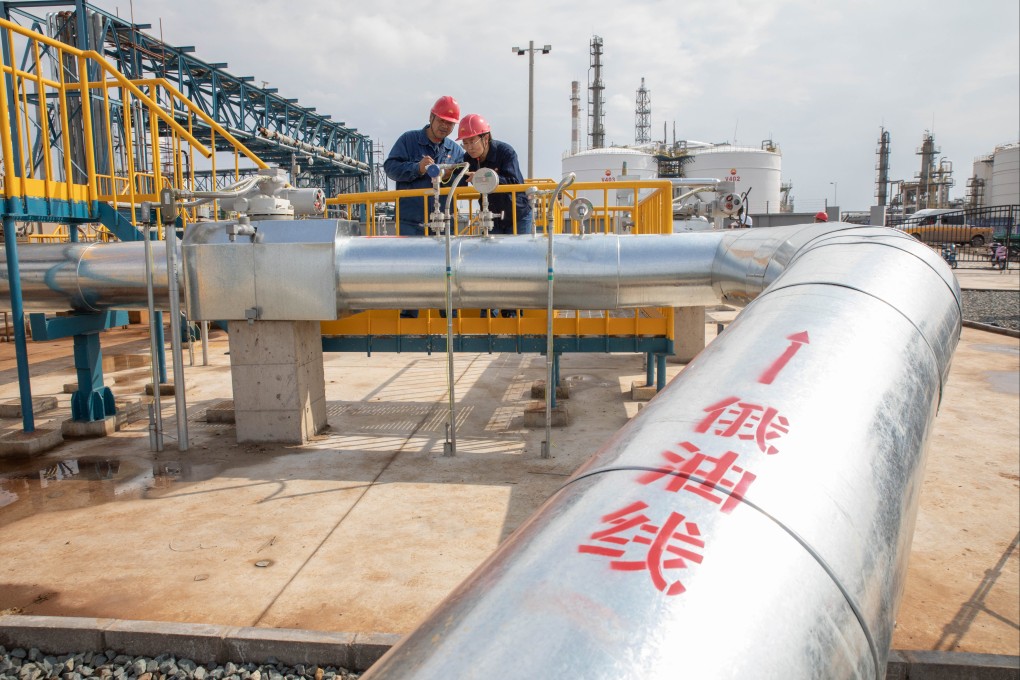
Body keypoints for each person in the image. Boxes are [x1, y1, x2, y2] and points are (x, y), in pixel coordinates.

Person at [384, 96, 466, 237]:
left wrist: (448, 177)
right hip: (411, 223)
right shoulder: (409, 140)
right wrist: (418, 168)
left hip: (445, 221)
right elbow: (391, 168)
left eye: (450, 123)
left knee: (445, 259)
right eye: (441, 120)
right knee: (411, 259)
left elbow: (462, 185)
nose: (445, 126)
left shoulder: (456, 151)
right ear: (431, 117)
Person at [456, 113, 532, 235]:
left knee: (518, 253)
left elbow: (514, 183)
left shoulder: (505, 152)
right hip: (491, 218)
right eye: (465, 143)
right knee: (492, 254)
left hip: (517, 216)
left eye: (472, 142)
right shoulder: (468, 159)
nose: (469, 148)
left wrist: (484, 177)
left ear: (485, 138)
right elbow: (459, 181)